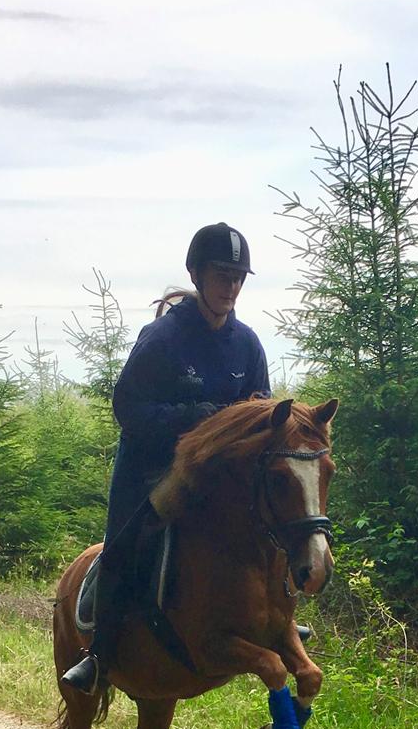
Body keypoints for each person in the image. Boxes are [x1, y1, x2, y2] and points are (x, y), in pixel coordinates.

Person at [61, 222, 270, 693]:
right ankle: (99, 656)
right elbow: (128, 408)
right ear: (196, 275)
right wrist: (196, 416)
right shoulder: (162, 339)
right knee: (125, 549)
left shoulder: (248, 344)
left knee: (269, 528)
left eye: (238, 277)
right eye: (222, 275)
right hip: (152, 470)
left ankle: (273, 621)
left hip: (217, 479)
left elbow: (261, 414)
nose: (231, 286)